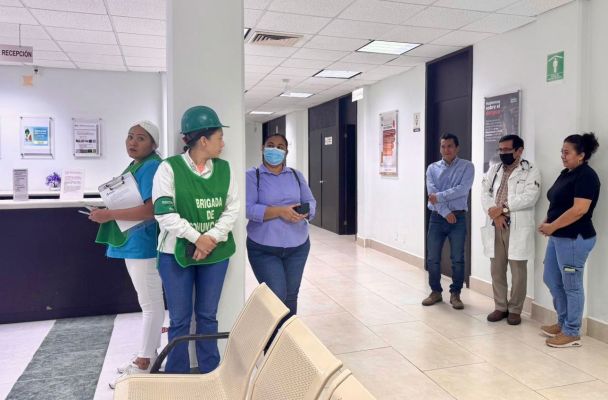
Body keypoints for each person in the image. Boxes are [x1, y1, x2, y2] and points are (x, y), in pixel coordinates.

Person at [152, 106, 238, 372]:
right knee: (179, 319)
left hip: (216, 253)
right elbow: (163, 212)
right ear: (203, 140)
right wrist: (196, 238)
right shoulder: (169, 168)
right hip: (174, 254)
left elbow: (232, 209)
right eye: (219, 138)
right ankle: (176, 374)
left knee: (207, 316)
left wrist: (210, 238)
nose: (223, 143)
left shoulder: (224, 169)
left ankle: (210, 371)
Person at [90, 121, 164, 388]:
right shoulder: (137, 165)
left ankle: (145, 362)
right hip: (135, 242)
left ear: (153, 144)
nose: (133, 142)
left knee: (150, 303)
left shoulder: (151, 167)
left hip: (144, 244)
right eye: (130, 136)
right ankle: (148, 354)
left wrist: (109, 214)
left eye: (141, 138)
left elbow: (150, 210)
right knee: (148, 302)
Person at [538, 133, 600, 348]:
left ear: (581, 155)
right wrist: (548, 221)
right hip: (558, 236)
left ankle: (572, 331)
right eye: (562, 152)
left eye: (567, 152)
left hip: (575, 239)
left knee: (572, 285)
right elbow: (558, 201)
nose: (562, 156)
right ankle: (563, 322)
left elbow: (579, 209)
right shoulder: (566, 173)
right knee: (551, 278)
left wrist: (553, 226)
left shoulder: (587, 176)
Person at [246, 133, 316, 318]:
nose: (274, 150)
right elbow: (248, 209)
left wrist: (304, 212)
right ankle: (269, 334)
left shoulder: (296, 175)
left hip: (298, 246)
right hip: (264, 248)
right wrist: (280, 211)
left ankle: (285, 335)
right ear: (262, 148)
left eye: (280, 147)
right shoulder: (253, 176)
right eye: (270, 145)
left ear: (286, 152)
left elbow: (310, 202)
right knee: (276, 295)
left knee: (291, 296)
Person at [481, 135, 540, 325]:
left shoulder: (530, 170)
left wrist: (504, 209)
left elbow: (530, 196)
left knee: (518, 271)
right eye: (500, 149)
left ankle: (515, 310)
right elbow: (484, 193)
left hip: (516, 226)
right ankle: (500, 307)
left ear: (519, 151)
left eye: (507, 150)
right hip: (496, 224)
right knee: (497, 269)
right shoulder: (494, 169)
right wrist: (495, 215)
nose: (502, 153)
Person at [423, 133, 474, 309]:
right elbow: (431, 193)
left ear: (457, 148)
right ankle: (435, 292)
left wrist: (439, 197)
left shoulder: (467, 166)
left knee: (457, 258)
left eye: (450, 146)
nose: (446, 150)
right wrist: (445, 212)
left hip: (458, 218)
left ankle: (455, 294)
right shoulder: (432, 168)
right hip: (437, 218)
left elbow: (462, 190)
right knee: (432, 258)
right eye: (443, 146)